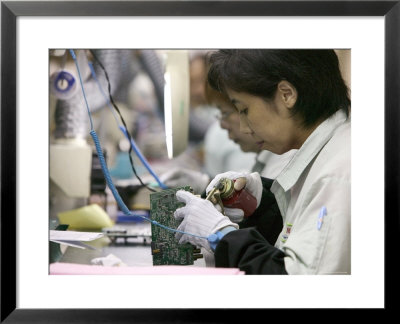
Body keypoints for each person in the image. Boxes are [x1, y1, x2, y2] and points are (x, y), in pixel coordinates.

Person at [173, 49, 351, 275]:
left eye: (244, 109)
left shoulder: (337, 175)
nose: (245, 127)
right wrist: (263, 202)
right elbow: (299, 239)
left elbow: (297, 292)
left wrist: (222, 235)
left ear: (286, 94)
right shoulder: (328, 151)